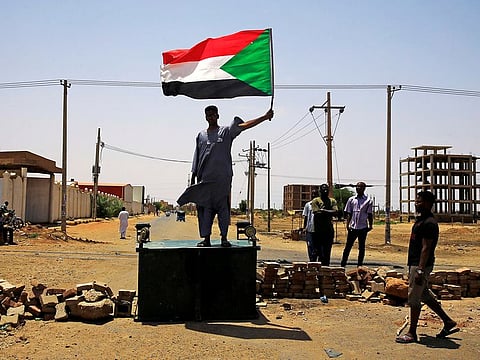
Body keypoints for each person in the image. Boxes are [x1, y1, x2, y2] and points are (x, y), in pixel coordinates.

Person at [177, 105, 273, 247]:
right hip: (205, 181)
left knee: (223, 209)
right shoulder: (201, 135)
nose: (210, 117)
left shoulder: (226, 132)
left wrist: (264, 117)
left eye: (213, 114)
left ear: (217, 115)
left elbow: (244, 126)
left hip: (222, 182)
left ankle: (224, 238)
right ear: (205, 117)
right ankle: (206, 239)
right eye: (208, 115)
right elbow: (196, 157)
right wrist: (193, 177)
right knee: (205, 211)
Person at [396, 190, 459, 343]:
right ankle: (448, 321)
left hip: (420, 264)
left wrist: (419, 269)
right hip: (416, 263)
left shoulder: (429, 223)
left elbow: (426, 248)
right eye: (416, 201)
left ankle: (412, 333)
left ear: (428, 203)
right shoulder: (421, 220)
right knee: (423, 294)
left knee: (414, 298)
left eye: (419, 201)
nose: (416, 204)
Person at [340, 182, 373, 268]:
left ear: (364, 188)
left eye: (360, 187)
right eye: (357, 186)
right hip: (353, 227)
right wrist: (347, 225)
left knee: (361, 248)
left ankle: (359, 266)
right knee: (348, 247)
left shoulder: (368, 200)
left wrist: (370, 225)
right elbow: (349, 213)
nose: (358, 188)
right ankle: (342, 265)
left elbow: (370, 214)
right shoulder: (351, 199)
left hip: (363, 227)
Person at [311, 184, 338, 266]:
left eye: (327, 190)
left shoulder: (332, 201)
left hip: (328, 230)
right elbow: (316, 213)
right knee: (317, 251)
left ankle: (325, 270)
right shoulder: (316, 201)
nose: (325, 191)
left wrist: (323, 210)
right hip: (318, 231)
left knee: (327, 252)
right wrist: (329, 212)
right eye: (323, 190)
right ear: (320, 191)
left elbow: (336, 212)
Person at [302, 188, 319, 262]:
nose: (314, 195)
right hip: (309, 229)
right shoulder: (308, 205)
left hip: (318, 230)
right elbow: (305, 216)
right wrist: (304, 227)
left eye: (315, 194)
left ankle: (316, 261)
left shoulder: (320, 204)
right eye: (312, 194)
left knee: (317, 247)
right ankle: (312, 261)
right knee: (310, 246)